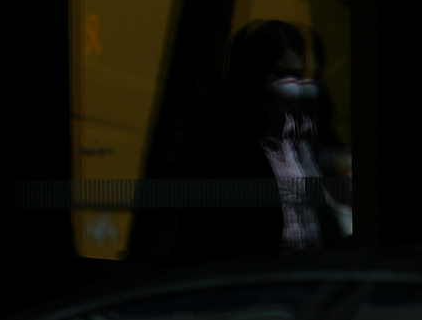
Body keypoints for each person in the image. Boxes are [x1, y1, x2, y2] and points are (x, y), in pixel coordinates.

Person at [130, 19, 350, 266]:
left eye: (300, 76)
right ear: (253, 75)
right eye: (280, 74)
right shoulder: (225, 148)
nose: (294, 88)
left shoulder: (307, 142)